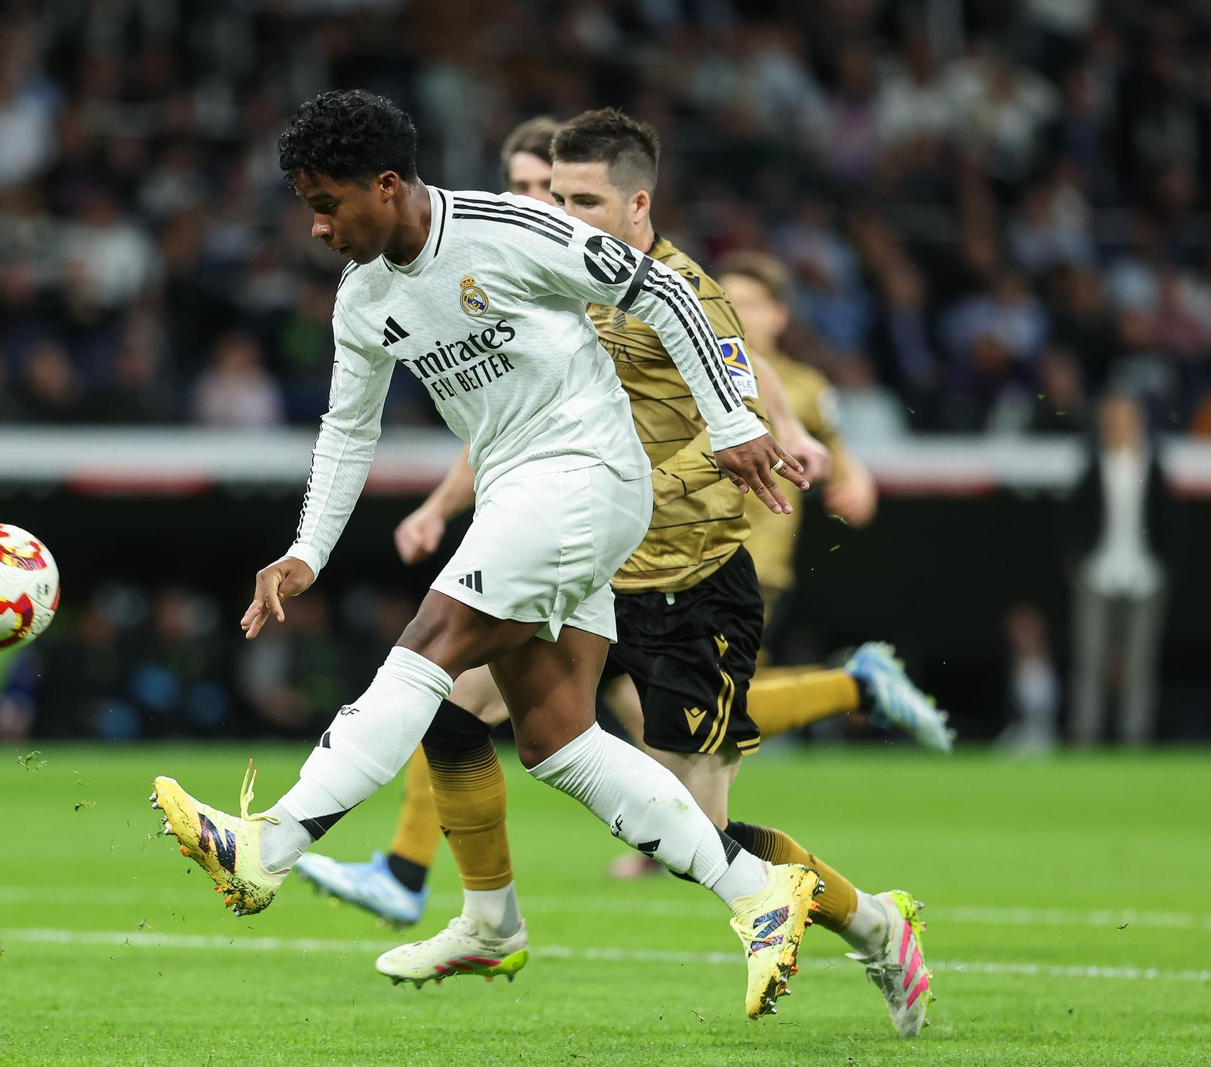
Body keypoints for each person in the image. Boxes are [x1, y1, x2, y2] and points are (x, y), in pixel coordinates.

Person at [149, 90, 821, 1021]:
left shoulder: (508, 229)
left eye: (326, 200)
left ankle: (274, 841)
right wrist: (306, 551)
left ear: (386, 185)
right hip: (523, 495)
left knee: (434, 637)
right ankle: (754, 890)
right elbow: (347, 431)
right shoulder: (362, 298)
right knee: (557, 739)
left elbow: (660, 286)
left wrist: (735, 418)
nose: (314, 226)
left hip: (584, 474)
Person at [293, 111, 937, 1038]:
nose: (565, 214)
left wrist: (783, 429)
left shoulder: (680, 294)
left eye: (583, 200)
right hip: (579, 569)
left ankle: (875, 922)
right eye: (554, 197)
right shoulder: (550, 271)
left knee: (697, 834)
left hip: (691, 582)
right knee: (446, 703)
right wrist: (447, 503)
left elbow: (740, 372)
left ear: (639, 205)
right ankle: (474, 912)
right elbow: (504, 408)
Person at [1066, 392, 1176, 745]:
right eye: (1113, 418)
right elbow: (1071, 520)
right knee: (1090, 660)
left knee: (1140, 664)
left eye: (1126, 418)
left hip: (1145, 575)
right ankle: (1086, 737)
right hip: (1098, 573)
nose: (1120, 425)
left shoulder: (1153, 465)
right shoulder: (1091, 464)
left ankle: (1135, 739)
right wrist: (1077, 562)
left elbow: (1170, 522)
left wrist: (1165, 565)